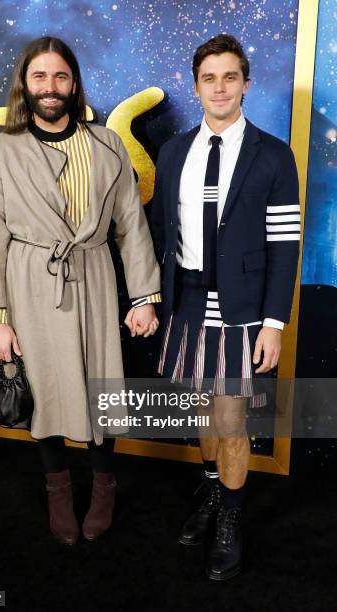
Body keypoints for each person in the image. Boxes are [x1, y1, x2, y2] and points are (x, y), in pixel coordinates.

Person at [0, 36, 161, 546]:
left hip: (94, 273)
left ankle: (103, 487)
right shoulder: (2, 151)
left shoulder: (107, 144)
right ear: (25, 85)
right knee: (44, 388)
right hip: (28, 281)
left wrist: (143, 296)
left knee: (104, 386)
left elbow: (130, 226)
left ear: (73, 84)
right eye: (39, 77)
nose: (49, 87)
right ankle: (58, 491)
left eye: (59, 77)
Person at [151, 34, 300, 580]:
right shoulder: (172, 153)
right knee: (202, 414)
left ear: (245, 84)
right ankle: (213, 494)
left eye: (230, 77)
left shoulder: (273, 154)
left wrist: (274, 322)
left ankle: (231, 519)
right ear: (196, 86)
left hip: (242, 312)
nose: (220, 87)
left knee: (231, 419)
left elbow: (285, 244)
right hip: (187, 305)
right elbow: (162, 232)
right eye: (209, 78)